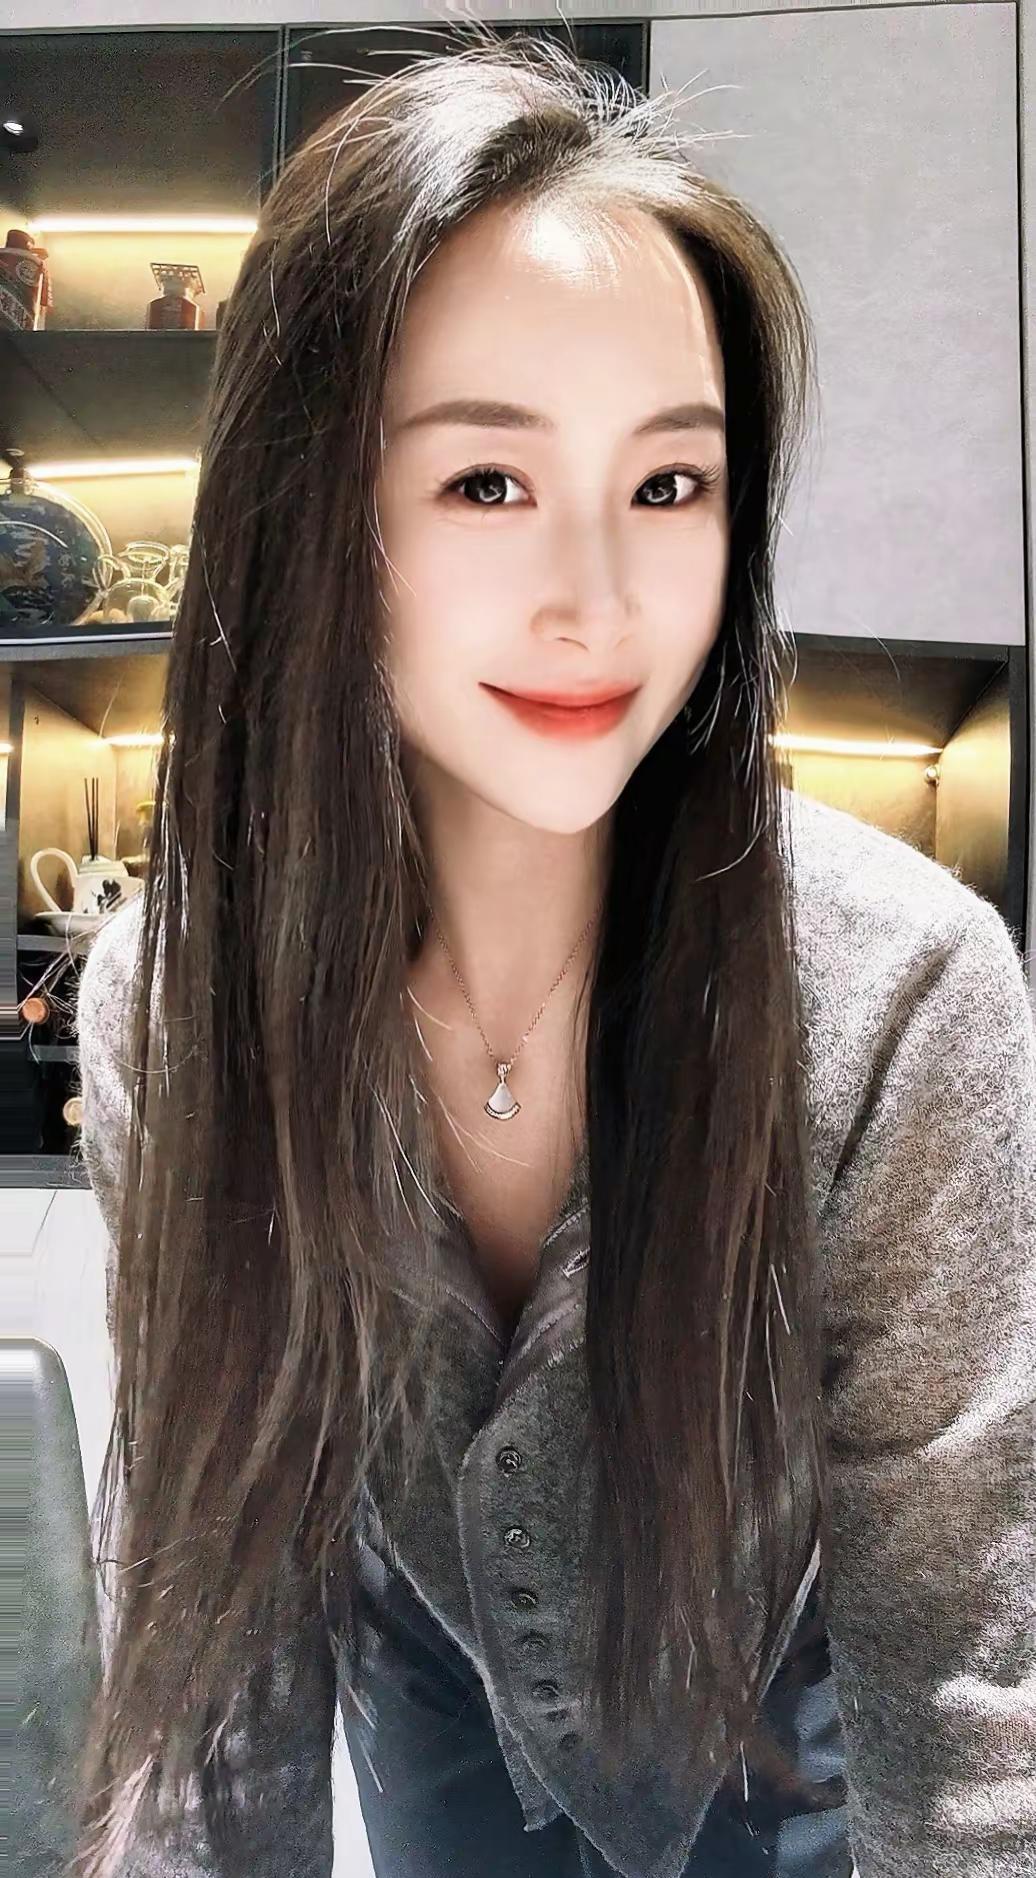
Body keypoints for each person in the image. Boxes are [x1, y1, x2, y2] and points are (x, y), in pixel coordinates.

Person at [70, 29, 1036, 1878]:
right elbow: (214, 1693)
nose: (598, 598)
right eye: (486, 484)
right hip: (435, 1713)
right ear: (309, 511)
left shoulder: (901, 995)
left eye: (669, 486)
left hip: (792, 1727)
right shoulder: (181, 1004)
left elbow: (968, 1714)